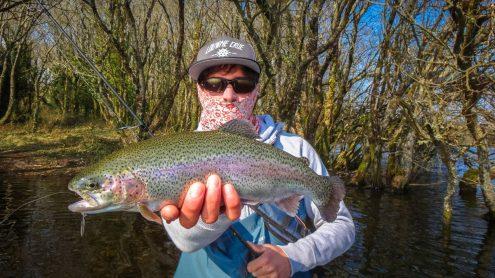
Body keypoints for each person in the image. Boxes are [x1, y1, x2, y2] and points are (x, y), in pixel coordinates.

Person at [159, 36, 355, 277]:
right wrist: (207, 219)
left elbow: (342, 225)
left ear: (256, 90)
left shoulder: (296, 149)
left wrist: (293, 257)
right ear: (199, 89)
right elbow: (184, 241)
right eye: (213, 83)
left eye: (242, 84)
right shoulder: (174, 154)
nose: (228, 95)